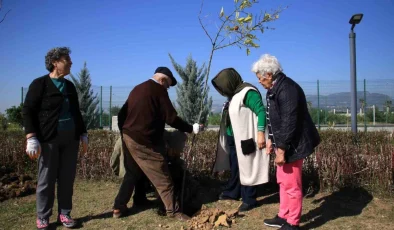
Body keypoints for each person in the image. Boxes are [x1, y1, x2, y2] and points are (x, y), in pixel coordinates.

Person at [112, 66, 203, 221]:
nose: (167, 88)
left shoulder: (138, 88)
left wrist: (125, 132)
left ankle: (120, 207)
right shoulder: (158, 90)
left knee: (133, 173)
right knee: (163, 176)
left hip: (129, 136)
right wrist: (191, 128)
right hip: (143, 141)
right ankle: (173, 212)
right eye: (168, 84)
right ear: (162, 80)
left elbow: (122, 115)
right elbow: (172, 118)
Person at [251, 54, 320, 230]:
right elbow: (274, 119)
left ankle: (293, 222)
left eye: (259, 78)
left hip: (293, 145)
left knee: (292, 184)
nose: (258, 81)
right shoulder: (275, 88)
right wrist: (271, 140)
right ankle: (284, 215)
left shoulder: (287, 89)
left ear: (268, 74)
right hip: (284, 143)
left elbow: (289, 122)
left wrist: (281, 148)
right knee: (283, 181)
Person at [22, 47, 88, 230]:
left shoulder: (70, 86)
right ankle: (43, 216)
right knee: (46, 179)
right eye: (67, 59)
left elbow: (76, 111)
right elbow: (28, 110)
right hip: (49, 138)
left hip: (71, 138)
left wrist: (83, 133)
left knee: (67, 178)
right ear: (54, 62)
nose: (71, 62)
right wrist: (31, 137)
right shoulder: (40, 84)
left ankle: (64, 214)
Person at [211, 68, 270, 212]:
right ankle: (233, 192)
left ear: (230, 81)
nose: (223, 91)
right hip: (234, 138)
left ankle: (249, 199)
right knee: (236, 167)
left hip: (246, 139)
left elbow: (261, 111)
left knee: (248, 167)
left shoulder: (248, 92)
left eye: (223, 86)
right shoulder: (235, 94)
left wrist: (261, 133)